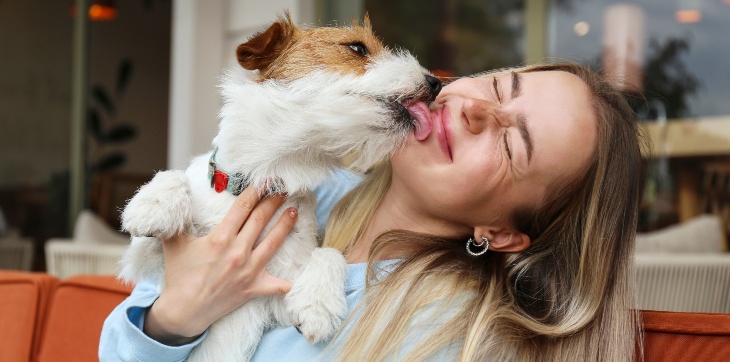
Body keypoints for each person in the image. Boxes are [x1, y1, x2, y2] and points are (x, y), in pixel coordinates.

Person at [100, 62, 645, 361]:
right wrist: (174, 318)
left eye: (511, 146)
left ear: (500, 234)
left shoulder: (444, 338)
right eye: (501, 84)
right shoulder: (305, 186)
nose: (476, 107)